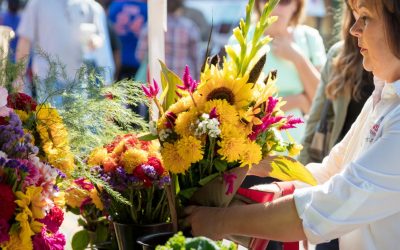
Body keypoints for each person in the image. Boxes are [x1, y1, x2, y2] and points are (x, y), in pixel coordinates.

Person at [186, 0, 400, 249]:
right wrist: (263, 176)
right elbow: (329, 172)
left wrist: (219, 221)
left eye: (365, 17)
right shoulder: (384, 96)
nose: (354, 29)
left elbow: (324, 207)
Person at [298, 3, 374, 249]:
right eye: (356, 10)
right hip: (336, 178)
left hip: (373, 189)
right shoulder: (338, 55)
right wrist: (297, 181)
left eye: (368, 13)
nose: (357, 25)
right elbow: (314, 122)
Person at [15, 0, 115, 107]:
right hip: (48, 78)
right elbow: (25, 41)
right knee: (52, 122)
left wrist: (95, 41)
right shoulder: (37, 3)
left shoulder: (90, 5)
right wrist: (19, 76)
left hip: (79, 79)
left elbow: (100, 38)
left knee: (76, 123)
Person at [255, 0, 326, 144]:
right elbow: (244, 106)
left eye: (284, 1)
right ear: (258, 4)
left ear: (296, 5)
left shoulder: (310, 38)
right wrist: (298, 100)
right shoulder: (243, 39)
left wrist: (297, 58)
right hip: (257, 147)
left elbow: (322, 101)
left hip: (304, 147)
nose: (275, 6)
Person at [135, 0, 202, 80]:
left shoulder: (150, 26)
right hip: (184, 83)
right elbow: (197, 59)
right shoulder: (190, 27)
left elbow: (140, 55)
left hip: (159, 81)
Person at [108, 0, 147, 80]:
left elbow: (108, 29)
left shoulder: (116, 6)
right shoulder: (146, 9)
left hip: (116, 60)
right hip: (136, 61)